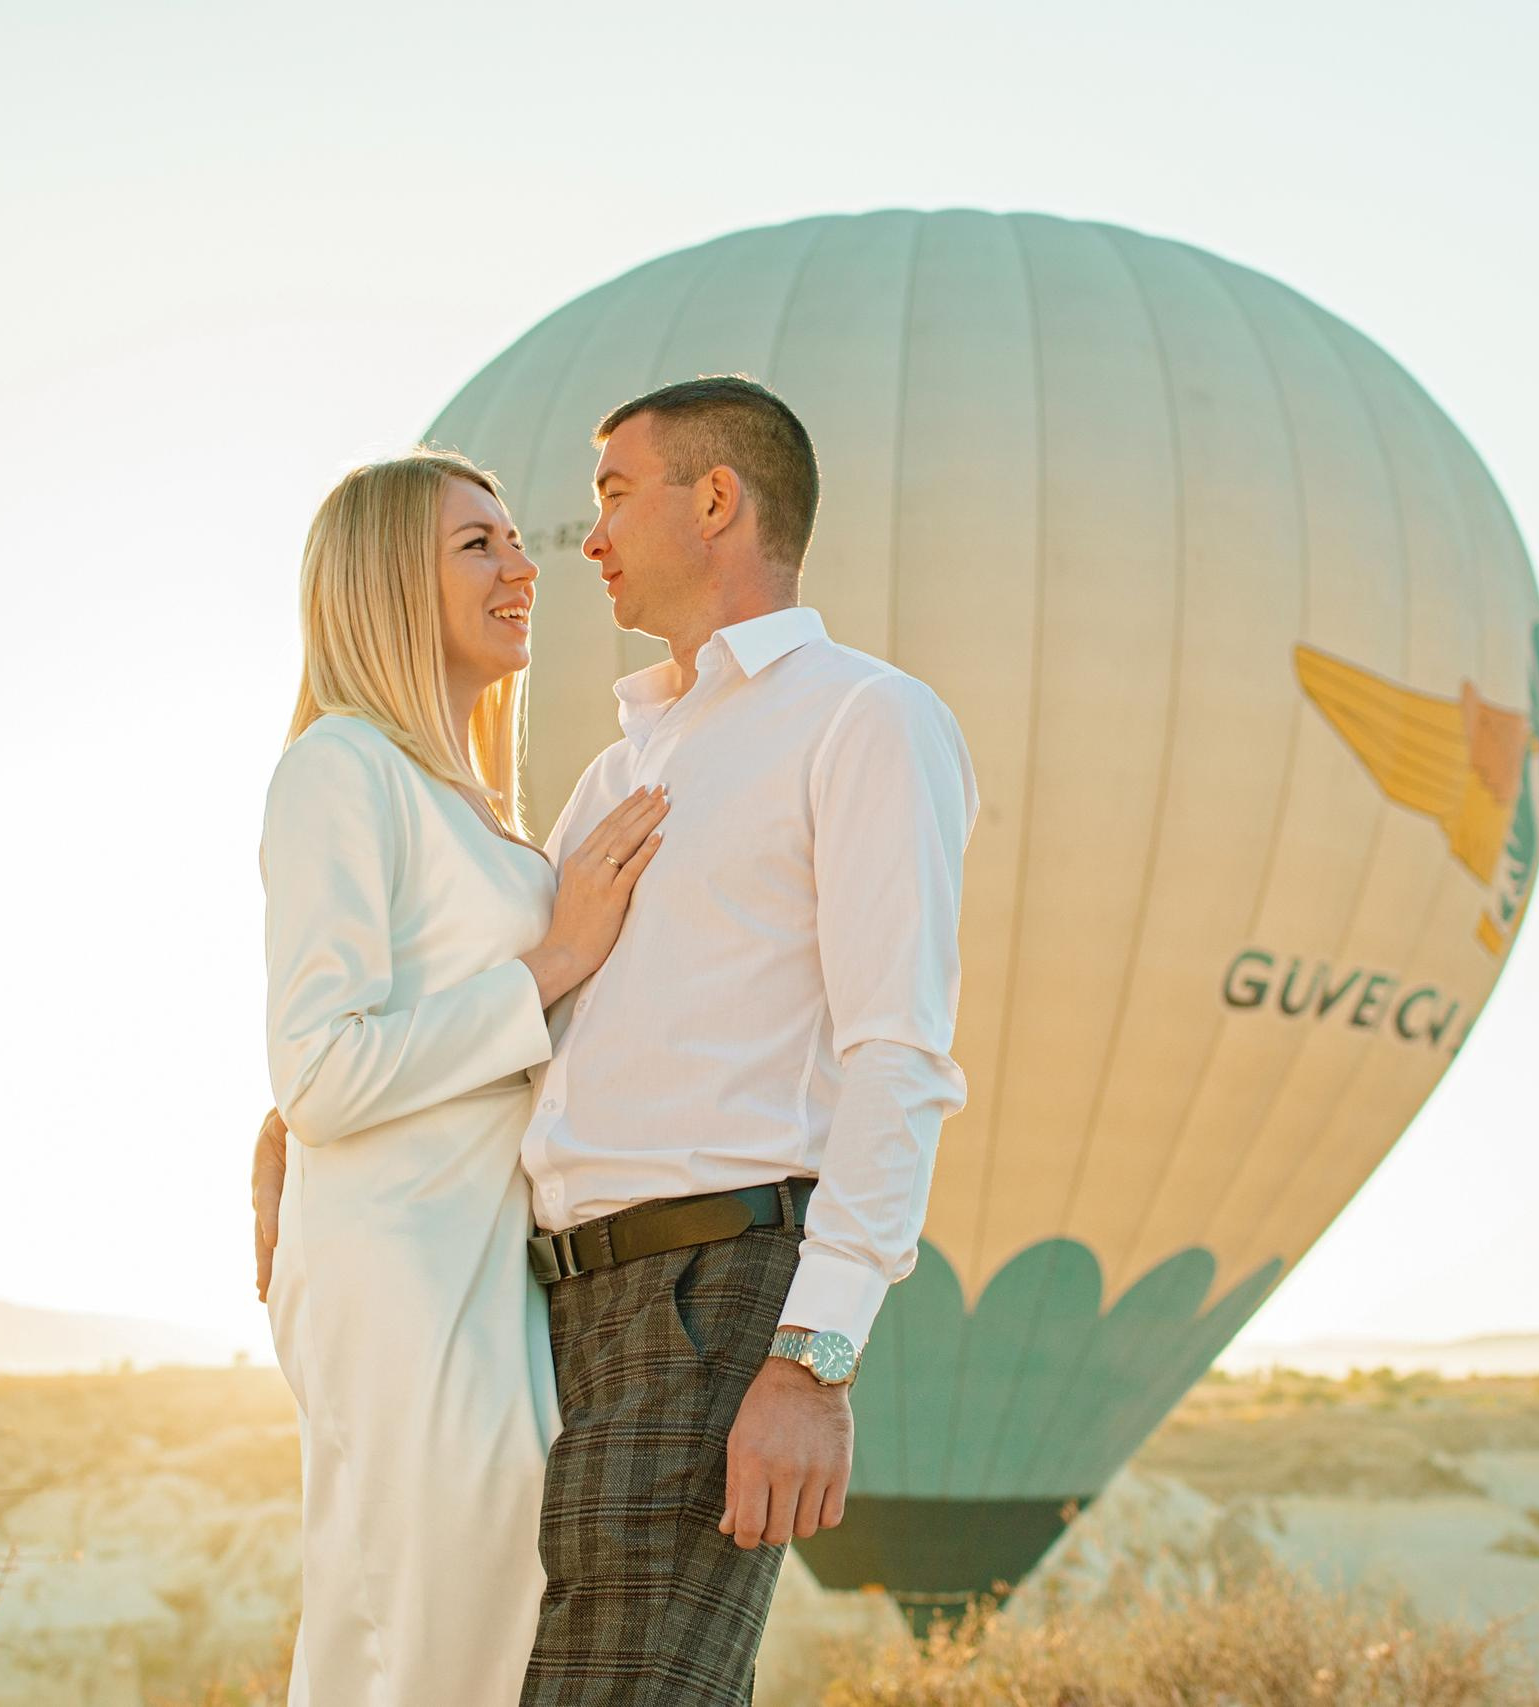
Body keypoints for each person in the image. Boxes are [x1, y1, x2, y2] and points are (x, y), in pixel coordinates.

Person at [258, 375, 978, 1705]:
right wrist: (297, 1139)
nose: (571, 544)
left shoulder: (858, 717)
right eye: (496, 537)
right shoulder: (615, 774)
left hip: (711, 1286)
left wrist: (813, 1353)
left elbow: (899, 1054)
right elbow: (486, 1017)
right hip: (547, 1310)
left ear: (714, 499)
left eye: (606, 498)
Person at [256, 449, 671, 1707]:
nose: (522, 564)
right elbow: (321, 1068)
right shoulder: (340, 768)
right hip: (402, 1277)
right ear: (388, 584)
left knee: (483, 1639)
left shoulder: (465, 802)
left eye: (512, 538)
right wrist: (550, 962)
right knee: (417, 1644)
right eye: (475, 545)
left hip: (484, 1268)